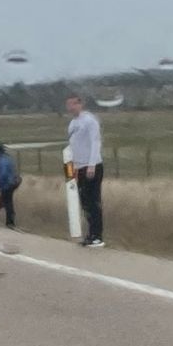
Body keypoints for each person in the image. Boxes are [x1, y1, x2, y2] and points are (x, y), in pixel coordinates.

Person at [66, 95, 104, 247]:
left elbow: (95, 142)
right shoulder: (72, 123)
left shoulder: (89, 121)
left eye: (73, 104)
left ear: (80, 104)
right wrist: (72, 169)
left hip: (91, 167)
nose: (70, 108)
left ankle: (97, 236)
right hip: (78, 167)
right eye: (68, 105)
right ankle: (90, 233)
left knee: (93, 201)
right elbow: (72, 146)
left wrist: (92, 164)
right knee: (85, 202)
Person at [0, 143, 20, 229]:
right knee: (7, 200)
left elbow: (3, 173)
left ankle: (10, 222)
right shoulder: (7, 158)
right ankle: (9, 219)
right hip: (12, 182)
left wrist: (1, 183)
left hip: (7, 184)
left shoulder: (1, 160)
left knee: (8, 202)